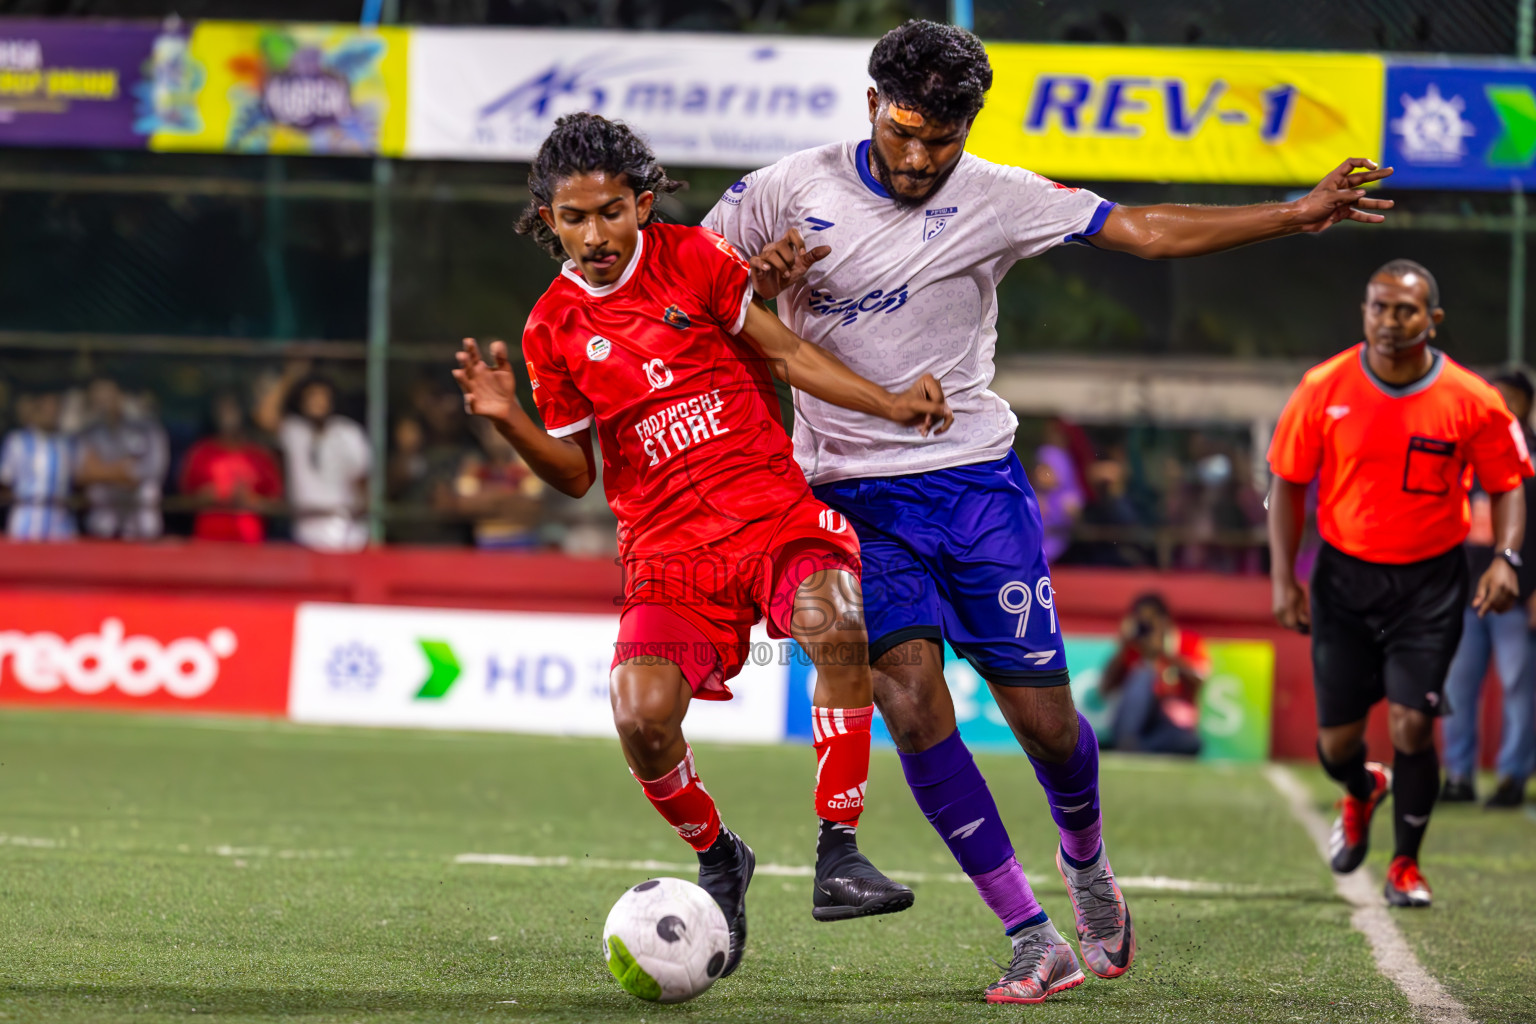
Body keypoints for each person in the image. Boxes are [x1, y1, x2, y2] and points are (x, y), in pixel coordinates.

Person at [702, 18, 1393, 1002]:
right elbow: (687, 294)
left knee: (1048, 724)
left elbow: (1145, 232)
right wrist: (752, 293)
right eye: (903, 132)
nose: (919, 157)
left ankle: (1087, 862)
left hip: (976, 487)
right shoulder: (784, 190)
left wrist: (1294, 213)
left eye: (942, 139)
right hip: (850, 498)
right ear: (871, 107)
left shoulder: (1001, 196)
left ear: (968, 129)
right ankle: (1030, 932)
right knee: (905, 693)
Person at [451, 113, 952, 977]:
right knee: (641, 719)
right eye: (573, 218)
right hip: (668, 554)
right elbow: (574, 473)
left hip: (771, 514)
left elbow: (787, 352)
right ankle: (721, 854)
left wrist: (890, 402)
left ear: (642, 203)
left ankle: (840, 852)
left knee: (837, 622)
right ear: (548, 222)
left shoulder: (695, 260)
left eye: (611, 211)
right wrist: (508, 425)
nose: (595, 234)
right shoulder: (550, 330)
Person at [1269, 260, 1532, 909]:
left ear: (1432, 320)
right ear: (1365, 312)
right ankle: (1361, 788)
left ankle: (1406, 866)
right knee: (1335, 747)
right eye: (1378, 308)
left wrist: (1506, 557)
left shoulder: (1474, 400)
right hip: (1343, 580)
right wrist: (1284, 578)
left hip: (1430, 585)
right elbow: (1288, 482)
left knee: (1415, 725)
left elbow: (1508, 486)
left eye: (1405, 311)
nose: (1390, 322)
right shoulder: (1323, 386)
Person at [1441, 369, 1536, 808]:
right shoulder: (1465, 453)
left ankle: (1512, 777)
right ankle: (1458, 776)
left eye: (1508, 398)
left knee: (1520, 688)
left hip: (1518, 597)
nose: (1499, 405)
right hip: (1464, 597)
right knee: (1457, 688)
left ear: (1526, 403)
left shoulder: (1531, 458)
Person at [254, 365, 371, 552]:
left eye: (322, 395)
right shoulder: (294, 432)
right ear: (301, 400)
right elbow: (265, 417)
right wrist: (290, 376)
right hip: (306, 536)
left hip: (348, 537)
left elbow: (364, 483)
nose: (317, 401)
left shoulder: (348, 433)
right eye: (311, 396)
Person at [1099, 593, 1208, 755]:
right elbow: (1104, 689)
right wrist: (1124, 645)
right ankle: (1127, 743)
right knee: (1144, 674)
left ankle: (1132, 749)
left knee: (1190, 743)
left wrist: (1165, 654)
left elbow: (1199, 681)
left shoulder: (1186, 642)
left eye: (1151, 621)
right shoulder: (1132, 648)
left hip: (1168, 724)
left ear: (1165, 620)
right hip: (1133, 723)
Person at [180, 393, 284, 543]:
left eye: (232, 409)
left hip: (250, 542)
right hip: (207, 539)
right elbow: (180, 502)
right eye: (222, 410)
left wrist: (252, 501)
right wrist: (203, 498)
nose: (228, 417)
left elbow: (278, 505)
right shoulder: (200, 453)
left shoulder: (260, 455)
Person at [77, 377, 169, 541]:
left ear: (120, 395)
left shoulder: (147, 429)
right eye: (97, 394)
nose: (101, 399)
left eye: (106, 392)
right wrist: (119, 471)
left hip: (140, 526)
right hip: (102, 526)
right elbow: (82, 473)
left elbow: (144, 474)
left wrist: (101, 471)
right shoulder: (90, 432)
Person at [0, 392, 78, 541]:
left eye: (54, 410)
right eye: (45, 410)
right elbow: (5, 479)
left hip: (60, 522)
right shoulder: (17, 442)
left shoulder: (66, 444)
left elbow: (78, 478)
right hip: (26, 519)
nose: (50, 414)